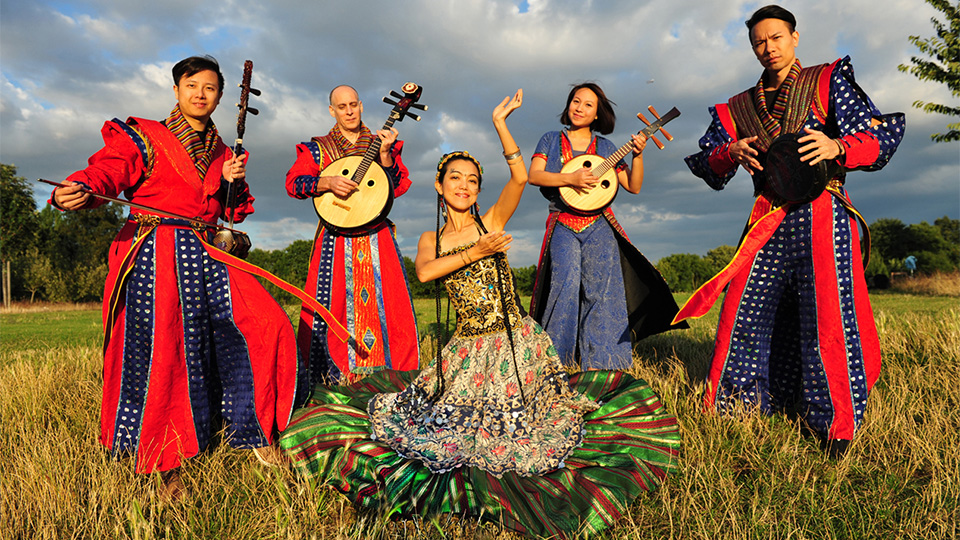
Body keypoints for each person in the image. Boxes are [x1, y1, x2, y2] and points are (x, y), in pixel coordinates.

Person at [280, 91, 680, 539]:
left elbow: (519, 175)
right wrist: (476, 250)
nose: (464, 186)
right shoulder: (431, 239)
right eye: (455, 178)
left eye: (472, 179)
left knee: (523, 431)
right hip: (467, 350)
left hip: (514, 343)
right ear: (439, 185)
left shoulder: (493, 219)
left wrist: (499, 123)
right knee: (442, 430)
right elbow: (428, 272)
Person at [51, 55, 304, 498]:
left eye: (210, 88)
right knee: (165, 351)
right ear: (176, 89)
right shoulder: (144, 134)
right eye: (192, 85)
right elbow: (111, 170)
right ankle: (162, 458)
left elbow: (229, 210)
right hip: (156, 247)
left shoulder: (227, 151)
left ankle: (255, 430)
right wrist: (83, 186)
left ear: (221, 97)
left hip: (209, 249)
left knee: (268, 325)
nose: (200, 93)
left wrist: (232, 181)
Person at [678, 5, 905, 455]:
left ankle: (833, 424)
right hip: (766, 216)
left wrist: (837, 144)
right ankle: (736, 410)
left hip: (824, 210)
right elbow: (706, 163)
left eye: (776, 38)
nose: (769, 48)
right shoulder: (736, 107)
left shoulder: (826, 79)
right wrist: (731, 152)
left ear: (794, 38)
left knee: (827, 317)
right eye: (759, 42)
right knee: (743, 308)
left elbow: (882, 133)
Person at [527, 82, 684, 371]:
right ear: (568, 104)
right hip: (563, 222)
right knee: (565, 285)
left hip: (599, 225)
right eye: (576, 101)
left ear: (598, 114)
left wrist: (638, 155)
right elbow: (535, 176)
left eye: (588, 104)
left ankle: (605, 364)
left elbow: (633, 187)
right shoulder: (550, 139)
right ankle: (555, 365)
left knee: (602, 292)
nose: (580, 108)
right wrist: (570, 179)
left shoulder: (607, 148)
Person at [285, 85, 419, 384]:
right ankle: (329, 379)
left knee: (390, 306)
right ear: (332, 111)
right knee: (330, 306)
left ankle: (392, 379)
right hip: (334, 236)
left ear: (361, 106)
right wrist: (327, 181)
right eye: (341, 106)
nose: (348, 111)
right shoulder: (316, 149)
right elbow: (294, 184)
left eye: (353, 105)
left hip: (376, 236)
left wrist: (385, 154)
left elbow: (395, 187)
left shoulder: (381, 142)